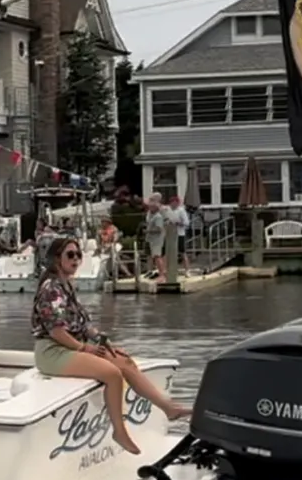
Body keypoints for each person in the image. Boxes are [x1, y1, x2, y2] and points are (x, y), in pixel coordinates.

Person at [31, 237, 190, 455]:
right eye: (70, 255)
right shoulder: (51, 289)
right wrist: (84, 348)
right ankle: (119, 432)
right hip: (53, 351)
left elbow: (84, 325)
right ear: (56, 259)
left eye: (78, 255)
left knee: (124, 362)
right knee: (113, 373)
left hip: (73, 345)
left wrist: (104, 342)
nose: (76, 259)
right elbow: (56, 331)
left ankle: (168, 407)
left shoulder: (67, 284)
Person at [142, 193, 167, 277]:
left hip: (158, 238)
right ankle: (150, 270)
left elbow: (160, 227)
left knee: (158, 255)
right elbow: (148, 222)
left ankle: (162, 273)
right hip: (149, 238)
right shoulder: (149, 213)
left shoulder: (160, 212)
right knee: (149, 254)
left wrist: (148, 230)